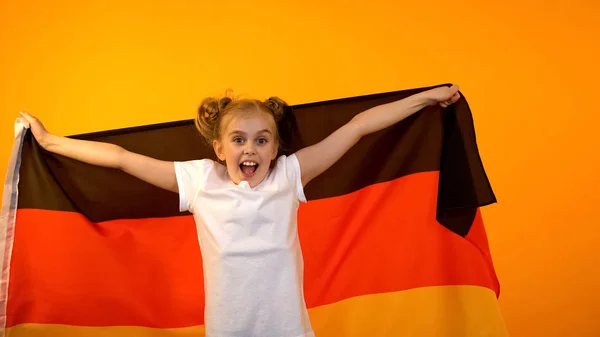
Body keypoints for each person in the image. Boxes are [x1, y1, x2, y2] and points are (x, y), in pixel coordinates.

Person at [20, 84, 461, 337]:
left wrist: (426, 99)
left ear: (275, 149)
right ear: (219, 148)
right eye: (239, 139)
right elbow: (119, 158)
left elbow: (358, 128)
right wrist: (50, 141)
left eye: (261, 139)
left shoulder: (288, 176)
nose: (250, 148)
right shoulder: (199, 181)